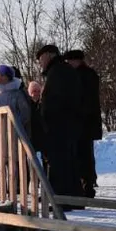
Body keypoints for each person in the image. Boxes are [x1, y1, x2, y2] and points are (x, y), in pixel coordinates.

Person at [35, 44, 83, 199]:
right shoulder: (62, 71)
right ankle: (73, 197)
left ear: (50, 55)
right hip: (66, 126)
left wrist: (47, 120)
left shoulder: (57, 72)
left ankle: (63, 198)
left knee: (60, 165)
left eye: (41, 58)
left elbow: (55, 102)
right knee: (69, 164)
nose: (40, 62)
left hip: (59, 127)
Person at [0, 66, 32, 199]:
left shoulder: (17, 93)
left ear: (10, 76)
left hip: (12, 134)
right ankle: (1, 189)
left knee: (12, 162)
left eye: (4, 75)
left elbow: (25, 113)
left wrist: (13, 122)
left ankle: (12, 190)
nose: (1, 77)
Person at [64, 49, 102, 198]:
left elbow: (85, 101)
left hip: (84, 123)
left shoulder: (84, 75)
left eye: (69, 61)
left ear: (76, 60)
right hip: (85, 123)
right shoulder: (86, 74)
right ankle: (86, 184)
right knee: (83, 155)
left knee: (83, 156)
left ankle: (87, 185)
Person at [27, 80, 46, 166]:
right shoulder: (27, 104)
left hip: (42, 135)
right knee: (31, 159)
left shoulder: (43, 103)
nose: (36, 93)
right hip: (31, 135)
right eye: (34, 91)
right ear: (30, 92)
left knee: (45, 157)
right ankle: (34, 177)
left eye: (38, 91)